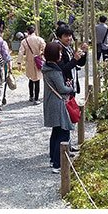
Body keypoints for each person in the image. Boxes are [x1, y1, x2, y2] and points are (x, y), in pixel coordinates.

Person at [42, 41, 75, 174]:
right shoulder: (54, 71)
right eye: (60, 52)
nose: (61, 54)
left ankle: (53, 159)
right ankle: (58, 163)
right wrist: (70, 88)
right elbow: (61, 88)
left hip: (51, 102)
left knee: (56, 132)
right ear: (54, 54)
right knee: (63, 132)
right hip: (57, 103)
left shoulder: (47, 67)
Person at [55, 24, 88, 97]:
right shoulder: (57, 49)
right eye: (66, 36)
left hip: (72, 82)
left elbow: (80, 63)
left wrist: (84, 53)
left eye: (70, 36)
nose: (69, 38)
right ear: (59, 37)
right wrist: (74, 59)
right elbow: (62, 69)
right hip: (64, 85)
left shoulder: (68, 47)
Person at [17, 25, 46, 104]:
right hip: (38, 62)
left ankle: (31, 96)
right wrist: (40, 55)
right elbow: (44, 49)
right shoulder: (40, 39)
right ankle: (36, 99)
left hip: (29, 62)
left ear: (28, 32)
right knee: (37, 80)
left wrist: (19, 62)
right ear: (34, 31)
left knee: (30, 79)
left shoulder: (24, 41)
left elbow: (21, 52)